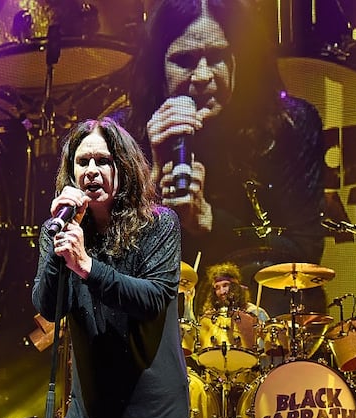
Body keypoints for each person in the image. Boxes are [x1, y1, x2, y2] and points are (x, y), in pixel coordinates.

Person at [123, 0, 328, 316]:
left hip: (263, 319)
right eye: (184, 60)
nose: (203, 76)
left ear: (239, 61)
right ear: (158, 70)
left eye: (217, 57)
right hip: (161, 321)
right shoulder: (125, 135)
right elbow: (101, 263)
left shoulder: (290, 126)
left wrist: (209, 220)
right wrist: (150, 189)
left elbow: (305, 251)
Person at [32, 117, 189, 418]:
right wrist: (59, 246)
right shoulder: (62, 231)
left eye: (103, 161)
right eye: (82, 161)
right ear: (71, 173)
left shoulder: (159, 224)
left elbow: (153, 300)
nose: (91, 170)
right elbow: (47, 306)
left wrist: (87, 266)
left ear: (125, 168)